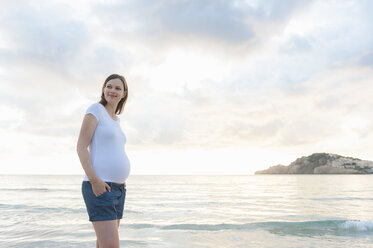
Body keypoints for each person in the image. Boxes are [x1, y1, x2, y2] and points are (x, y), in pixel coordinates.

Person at [77, 74, 131, 248]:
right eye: (109, 86)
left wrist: (120, 182)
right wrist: (95, 181)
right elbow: (81, 147)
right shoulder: (95, 109)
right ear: (103, 89)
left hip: (118, 189)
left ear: (124, 93)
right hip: (100, 187)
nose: (112, 91)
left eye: (117, 88)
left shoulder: (116, 120)